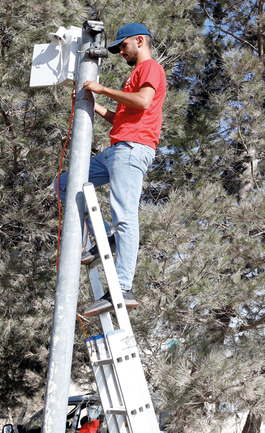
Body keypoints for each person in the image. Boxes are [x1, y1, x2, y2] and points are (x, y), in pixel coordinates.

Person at [55, 23, 166, 317]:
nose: (120, 52)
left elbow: (143, 102)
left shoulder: (151, 67)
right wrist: (93, 105)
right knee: (65, 184)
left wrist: (102, 88)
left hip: (132, 149)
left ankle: (123, 287)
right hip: (118, 148)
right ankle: (107, 237)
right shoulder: (136, 73)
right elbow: (124, 117)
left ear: (140, 41)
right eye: (116, 49)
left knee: (125, 215)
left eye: (122, 46)